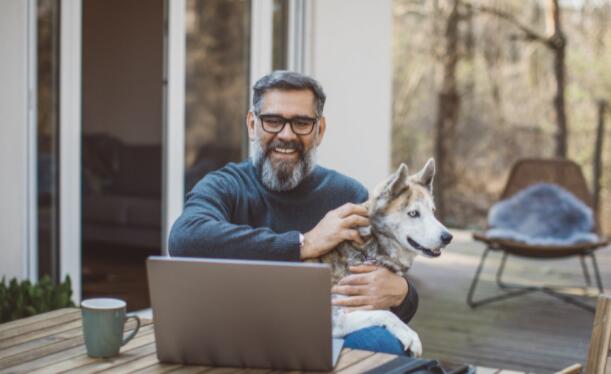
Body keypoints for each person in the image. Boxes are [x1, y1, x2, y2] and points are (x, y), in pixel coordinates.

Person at [169, 70, 418, 355]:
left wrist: (402, 292)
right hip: (238, 330)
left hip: (325, 333)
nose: (286, 135)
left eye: (301, 123)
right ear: (252, 125)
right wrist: (304, 243)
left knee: (383, 346)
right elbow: (184, 238)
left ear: (319, 130)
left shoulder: (350, 197)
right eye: (272, 121)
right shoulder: (225, 185)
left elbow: (385, 283)